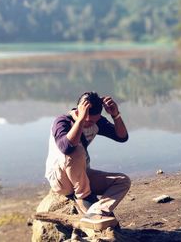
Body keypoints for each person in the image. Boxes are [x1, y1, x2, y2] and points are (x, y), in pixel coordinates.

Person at [45, 91, 131, 230]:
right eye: (86, 119)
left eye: (93, 121)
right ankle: (83, 197)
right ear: (78, 110)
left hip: (81, 174)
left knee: (122, 181)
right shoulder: (62, 121)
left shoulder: (96, 121)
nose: (89, 123)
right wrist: (80, 120)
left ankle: (96, 211)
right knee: (76, 149)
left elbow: (122, 137)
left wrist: (115, 115)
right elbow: (66, 147)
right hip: (61, 178)